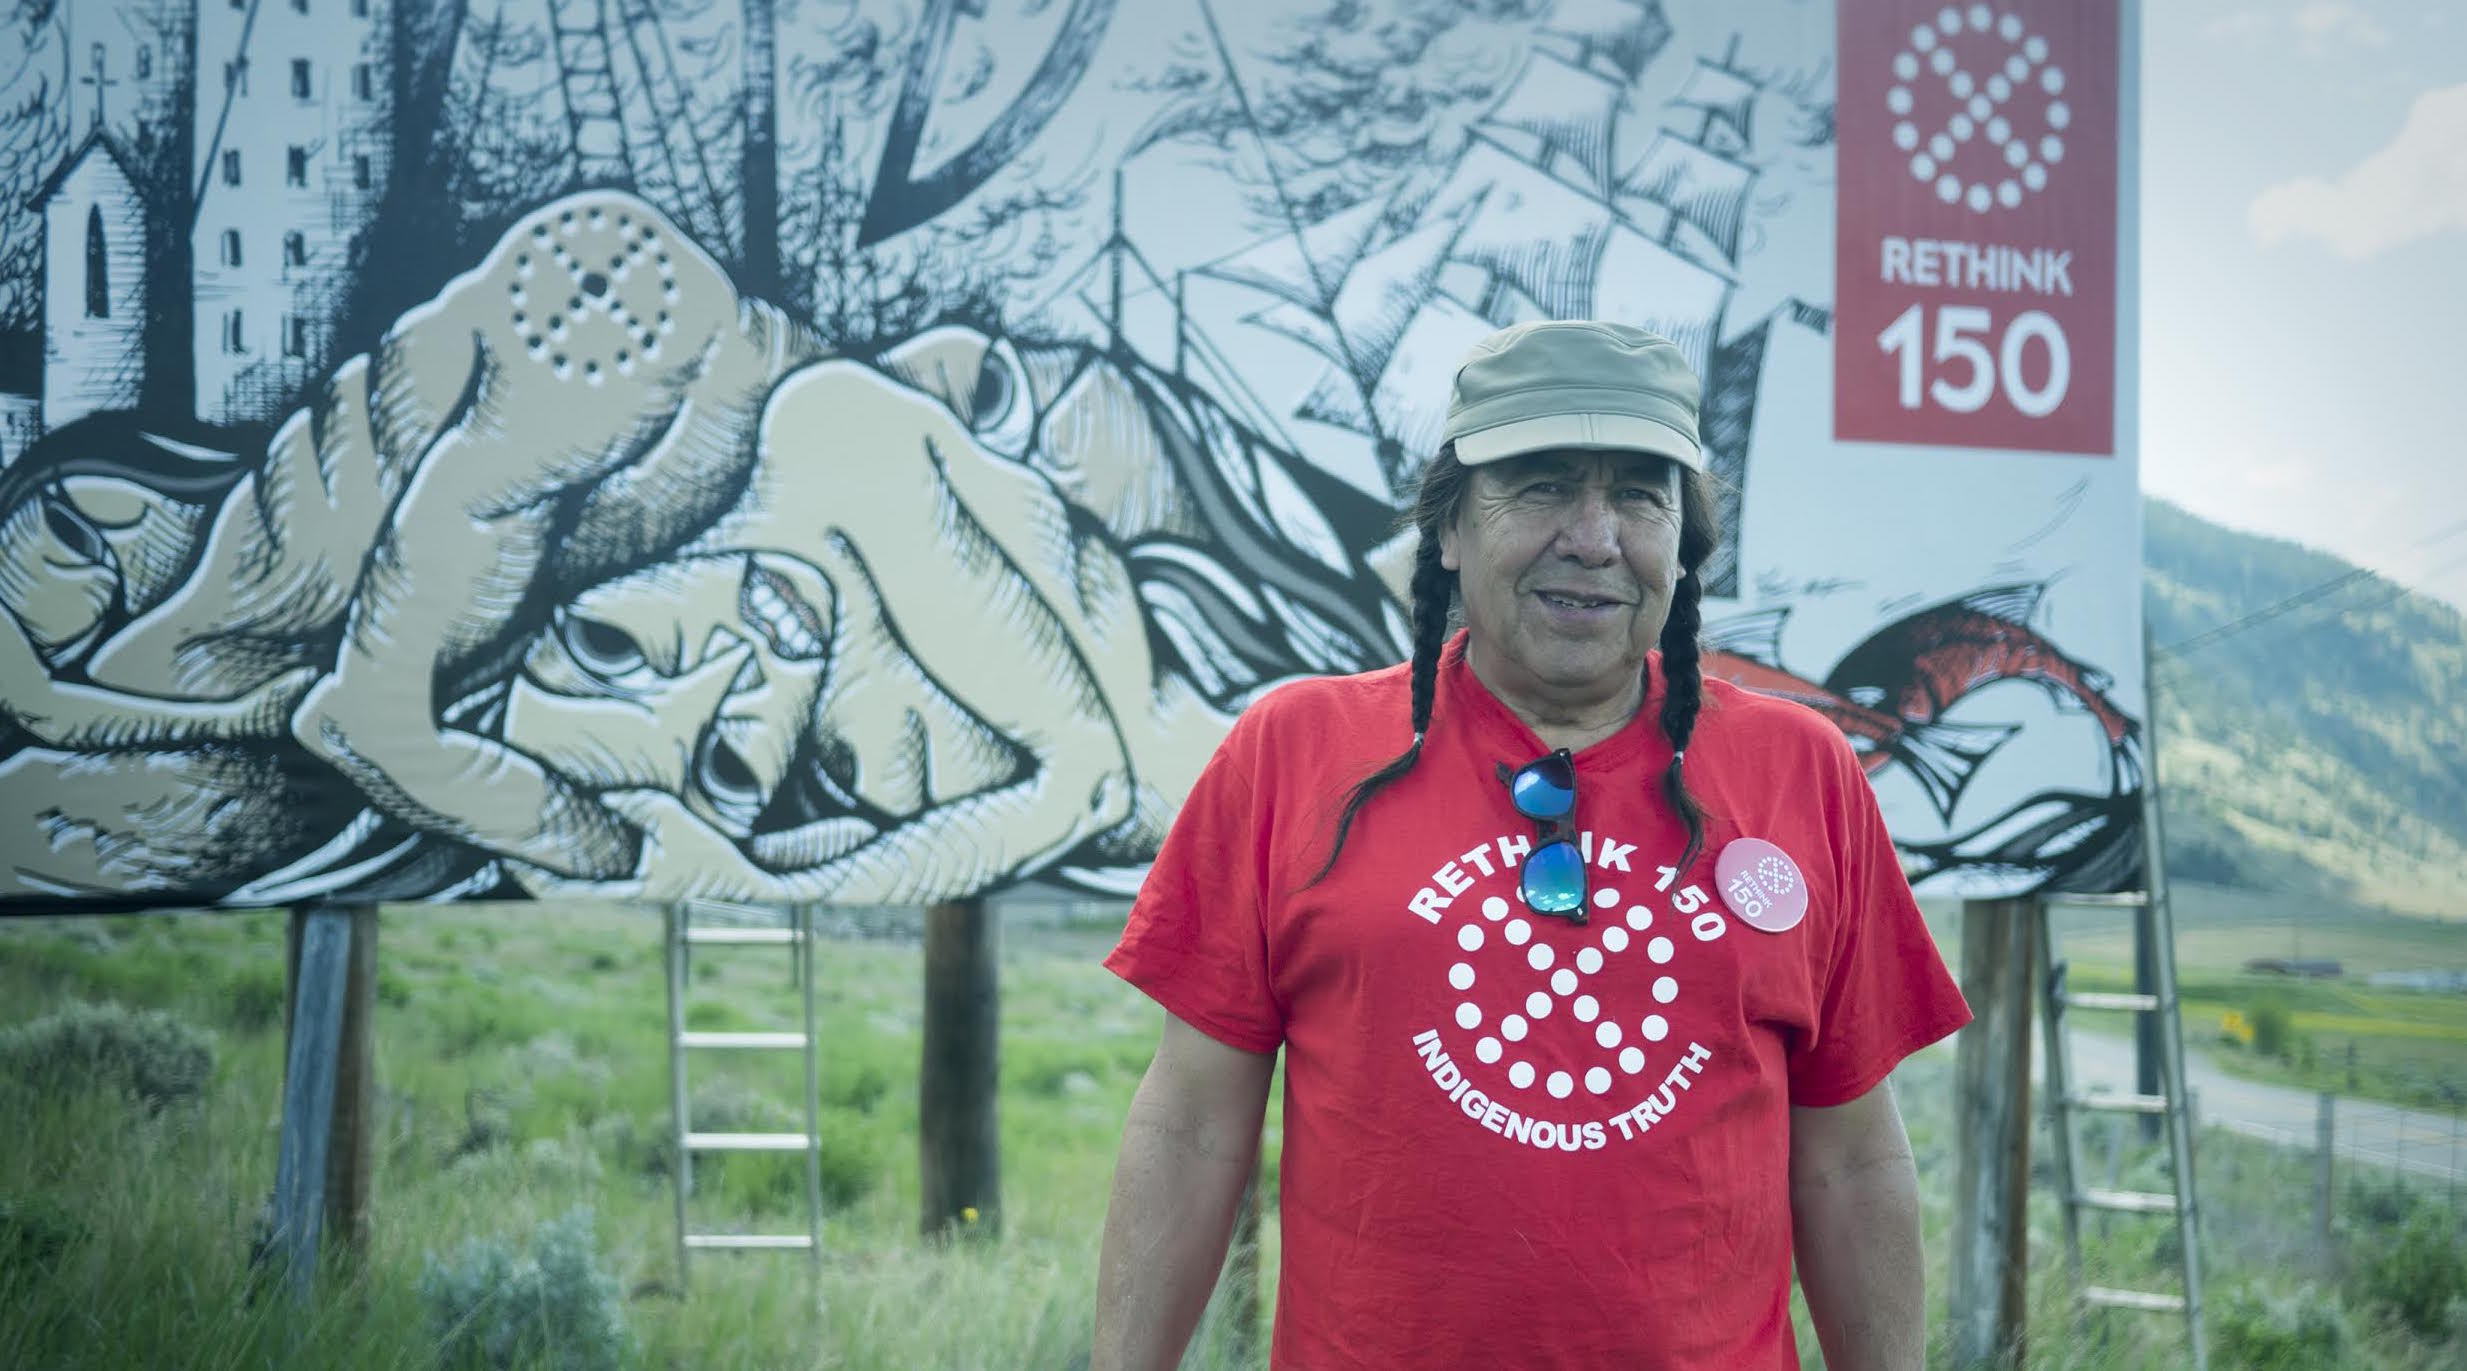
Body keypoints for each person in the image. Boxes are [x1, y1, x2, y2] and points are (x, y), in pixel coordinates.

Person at [1093, 320, 1972, 1369]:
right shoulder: (1292, 753)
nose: (1594, 538)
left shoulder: (1801, 770)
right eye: (1544, 486)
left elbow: (1849, 1163)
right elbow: (1191, 1122)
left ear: (1681, 542)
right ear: (1452, 526)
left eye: (1640, 495)